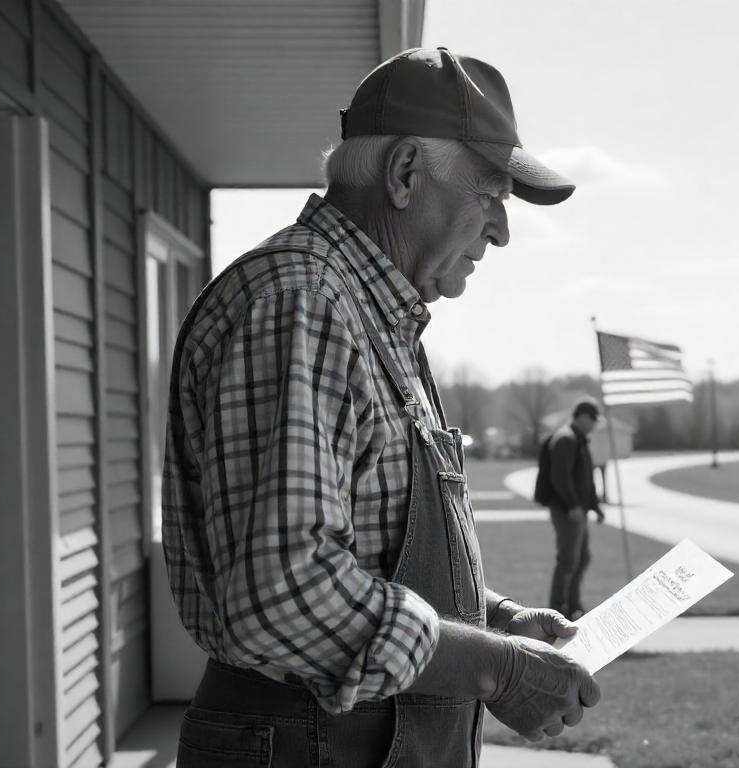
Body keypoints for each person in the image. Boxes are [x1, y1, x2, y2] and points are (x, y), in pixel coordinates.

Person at [162, 48, 599, 767]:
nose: (502, 230)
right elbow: (285, 590)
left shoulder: (372, 312)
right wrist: (495, 667)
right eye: (490, 194)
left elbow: (370, 550)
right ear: (404, 174)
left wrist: (493, 621)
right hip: (307, 741)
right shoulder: (302, 301)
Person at [540, 400, 606, 620]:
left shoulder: (577, 440)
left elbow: (586, 478)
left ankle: (573, 605)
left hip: (579, 511)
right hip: (567, 511)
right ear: (583, 416)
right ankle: (557, 611)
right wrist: (573, 505)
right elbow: (560, 477)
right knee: (568, 560)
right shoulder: (566, 439)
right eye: (593, 420)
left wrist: (595, 506)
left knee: (582, 558)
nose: (595, 425)